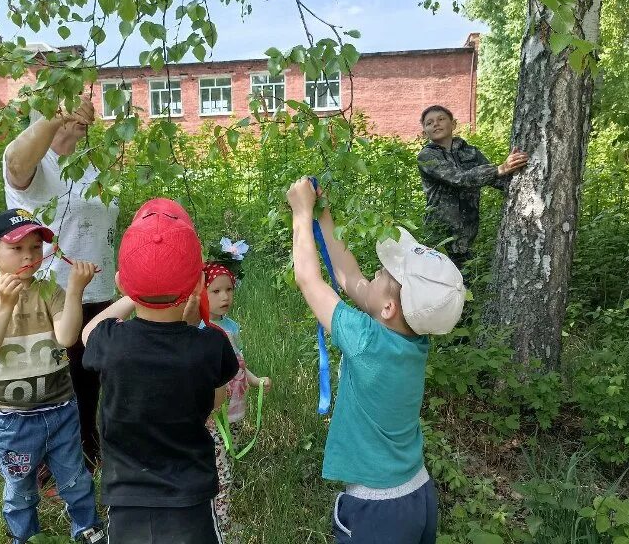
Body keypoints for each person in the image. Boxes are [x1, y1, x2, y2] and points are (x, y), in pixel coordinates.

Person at [286, 178, 466, 544]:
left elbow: (309, 280)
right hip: (418, 494)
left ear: (388, 307)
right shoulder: (413, 339)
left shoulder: (368, 342)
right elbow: (350, 279)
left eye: (383, 275)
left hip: (379, 513)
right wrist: (325, 218)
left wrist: (301, 215)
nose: (375, 274)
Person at [82, 199, 239, 544]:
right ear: (199, 284)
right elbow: (215, 401)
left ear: (123, 285)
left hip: (126, 502)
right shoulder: (210, 346)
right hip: (191, 501)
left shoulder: (110, 343)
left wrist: (131, 294)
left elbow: (88, 331)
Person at [0, 209, 105, 544]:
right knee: (20, 486)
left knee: (75, 478)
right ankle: (24, 536)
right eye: (16, 248)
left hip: (60, 409)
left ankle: (87, 530)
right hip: (13, 419)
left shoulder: (49, 291)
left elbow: (68, 337)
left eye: (36, 247)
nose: (29, 255)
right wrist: (5, 305)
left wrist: (74, 291)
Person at [4, 96, 119, 486]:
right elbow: (17, 163)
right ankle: (45, 473)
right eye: (72, 105)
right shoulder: (37, 160)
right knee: (52, 388)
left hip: (99, 290)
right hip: (52, 295)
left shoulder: (91, 165)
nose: (84, 111)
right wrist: (56, 118)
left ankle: (86, 455)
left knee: (90, 384)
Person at [202, 238, 273, 538]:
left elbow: (239, 364)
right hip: (213, 418)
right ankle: (222, 527)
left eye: (228, 289)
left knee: (225, 465)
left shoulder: (231, 327)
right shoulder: (204, 332)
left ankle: (215, 517)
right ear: (201, 294)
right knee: (222, 477)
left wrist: (255, 380)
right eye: (215, 291)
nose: (224, 296)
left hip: (235, 413)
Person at [416, 105, 529, 269]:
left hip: (467, 234)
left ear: (453, 124)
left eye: (441, 119)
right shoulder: (426, 156)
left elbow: (497, 181)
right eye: (429, 123)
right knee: (439, 284)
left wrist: (523, 179)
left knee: (465, 284)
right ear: (425, 131)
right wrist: (499, 169)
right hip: (439, 235)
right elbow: (458, 178)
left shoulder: (471, 152)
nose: (436, 124)